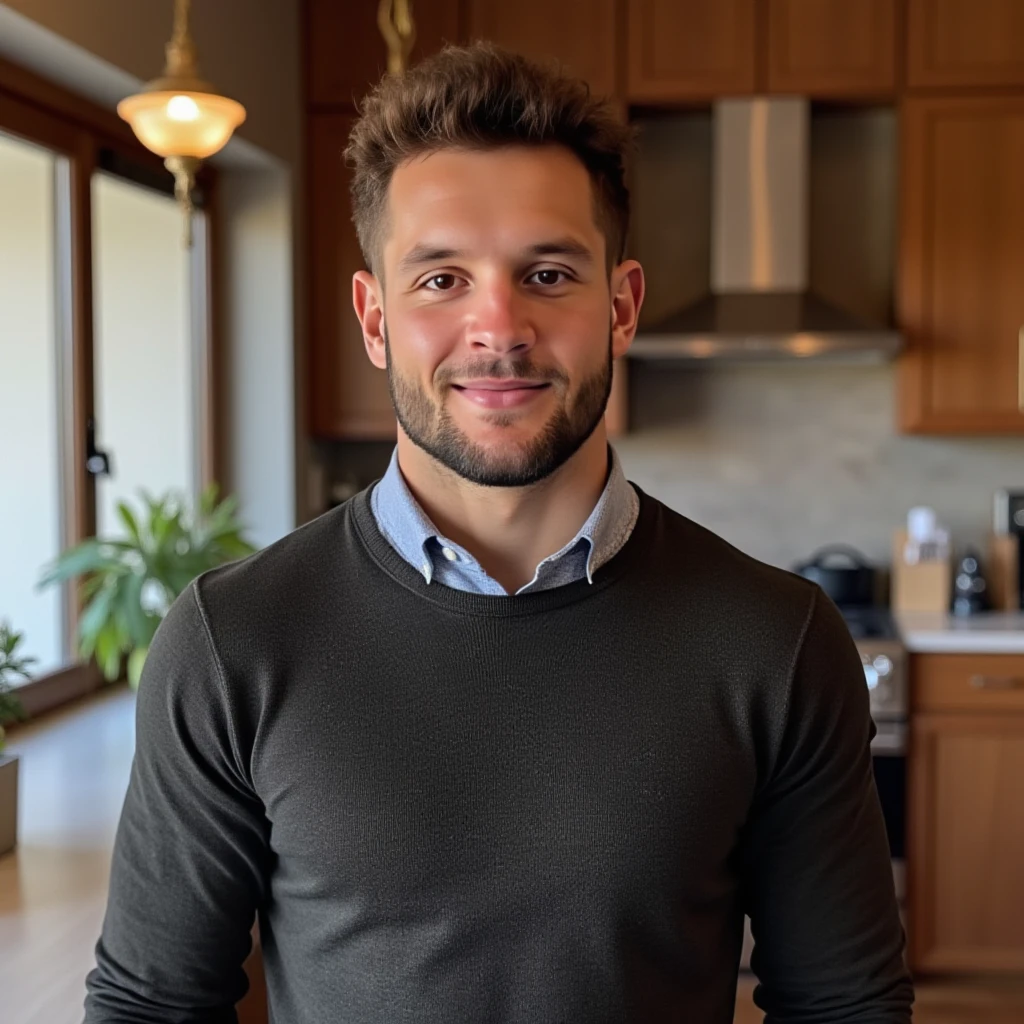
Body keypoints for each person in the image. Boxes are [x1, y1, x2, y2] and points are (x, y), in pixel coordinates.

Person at [84, 43, 914, 1024]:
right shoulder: (232, 642)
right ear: (374, 316)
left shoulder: (775, 639)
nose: (498, 325)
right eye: (439, 279)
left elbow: (844, 1007)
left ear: (621, 306)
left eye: (548, 272)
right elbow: (150, 1008)